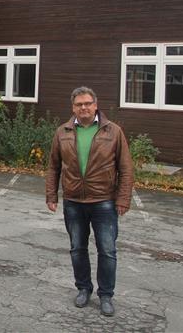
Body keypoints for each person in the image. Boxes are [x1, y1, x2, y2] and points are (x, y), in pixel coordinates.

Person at [46, 86, 134, 317]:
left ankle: (106, 295)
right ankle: (83, 288)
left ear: (95, 105)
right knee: (77, 249)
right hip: (73, 201)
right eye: (78, 104)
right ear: (72, 107)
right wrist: (51, 195)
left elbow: (125, 168)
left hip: (104, 201)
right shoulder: (62, 131)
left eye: (87, 103)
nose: (83, 108)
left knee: (107, 250)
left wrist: (123, 198)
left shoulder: (113, 131)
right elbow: (53, 166)